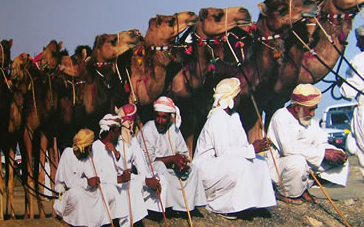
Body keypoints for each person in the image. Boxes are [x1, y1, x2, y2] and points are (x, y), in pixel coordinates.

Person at [192, 78, 276, 218]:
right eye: (238, 96)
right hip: (207, 169)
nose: (239, 100)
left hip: (225, 164)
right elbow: (223, 152)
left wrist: (255, 148)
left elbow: (241, 146)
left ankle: (256, 204)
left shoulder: (234, 117)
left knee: (259, 162)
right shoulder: (217, 118)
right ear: (232, 99)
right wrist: (251, 149)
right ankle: (222, 206)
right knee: (240, 164)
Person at [267, 84, 349, 204]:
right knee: (298, 162)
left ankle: (301, 188)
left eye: (314, 109)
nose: (313, 114)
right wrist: (323, 153)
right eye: (310, 109)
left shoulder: (308, 120)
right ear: (297, 107)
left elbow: (321, 142)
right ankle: (284, 191)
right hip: (281, 166)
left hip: (305, 164)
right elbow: (288, 149)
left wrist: (334, 152)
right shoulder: (280, 116)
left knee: (340, 159)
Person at [137, 97, 207, 214]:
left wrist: (182, 162)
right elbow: (149, 160)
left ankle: (185, 207)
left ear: (170, 117)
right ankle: (165, 207)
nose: (159, 120)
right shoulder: (149, 128)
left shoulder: (173, 129)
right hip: (152, 169)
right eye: (157, 116)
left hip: (171, 168)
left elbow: (183, 153)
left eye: (163, 117)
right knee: (159, 166)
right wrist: (173, 159)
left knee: (193, 169)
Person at [53, 128, 117, 227]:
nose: (91, 149)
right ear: (84, 147)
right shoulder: (67, 154)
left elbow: (90, 172)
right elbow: (69, 182)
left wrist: (94, 179)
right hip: (66, 192)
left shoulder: (86, 157)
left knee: (101, 192)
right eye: (89, 147)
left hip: (81, 187)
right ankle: (67, 219)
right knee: (76, 194)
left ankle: (97, 222)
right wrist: (87, 182)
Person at [92, 113, 148, 227]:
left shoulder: (115, 146)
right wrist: (119, 179)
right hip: (105, 185)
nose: (120, 134)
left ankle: (131, 221)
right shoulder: (96, 147)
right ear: (112, 131)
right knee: (115, 190)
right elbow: (98, 176)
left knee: (135, 183)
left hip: (117, 182)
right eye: (118, 131)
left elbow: (122, 169)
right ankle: (121, 221)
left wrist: (116, 155)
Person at [340, 25, 364, 180]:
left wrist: (342, 84)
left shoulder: (360, 60)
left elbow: (348, 92)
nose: (356, 45)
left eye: (358, 41)